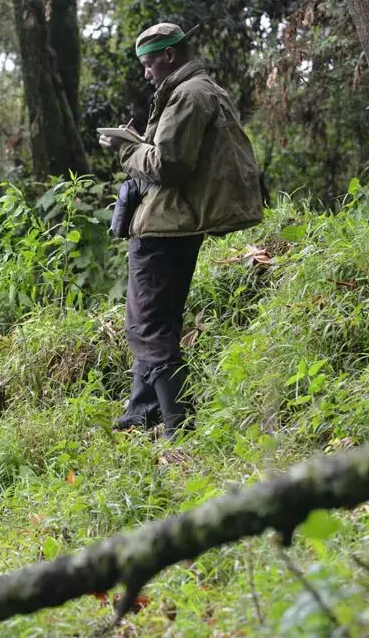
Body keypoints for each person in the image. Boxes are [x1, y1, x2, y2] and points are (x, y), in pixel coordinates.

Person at [99, 22, 264, 439]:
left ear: (169, 56)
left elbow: (168, 165)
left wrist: (127, 149)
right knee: (158, 320)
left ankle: (178, 425)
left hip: (165, 227)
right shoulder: (197, 90)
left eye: (149, 62)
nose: (146, 72)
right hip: (173, 223)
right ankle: (142, 411)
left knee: (147, 326)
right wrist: (140, 143)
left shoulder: (189, 95)